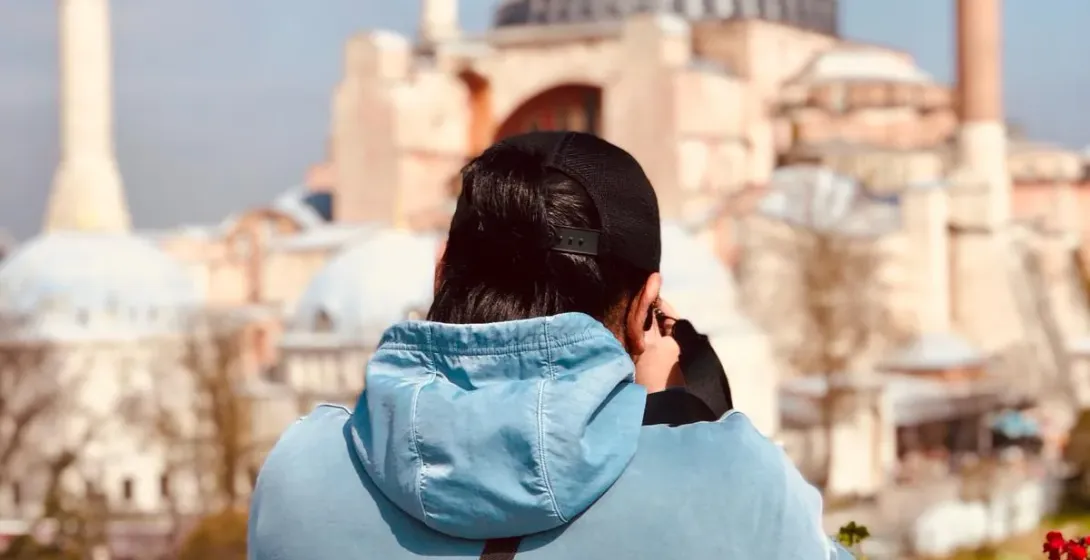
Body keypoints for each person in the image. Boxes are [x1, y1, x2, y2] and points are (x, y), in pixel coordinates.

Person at [248, 132, 852, 559]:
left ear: (440, 273)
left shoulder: (300, 474)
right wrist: (685, 422)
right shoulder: (737, 482)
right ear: (648, 308)